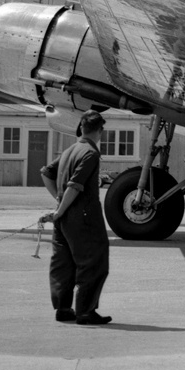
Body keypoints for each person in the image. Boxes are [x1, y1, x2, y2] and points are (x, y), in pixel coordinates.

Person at [40, 111, 113, 325]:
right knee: (93, 262)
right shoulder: (90, 153)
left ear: (81, 128)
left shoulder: (70, 150)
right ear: (100, 131)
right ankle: (85, 311)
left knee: (63, 263)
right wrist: (62, 208)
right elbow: (75, 185)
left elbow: (46, 173)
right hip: (84, 218)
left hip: (64, 220)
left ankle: (63, 309)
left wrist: (59, 203)